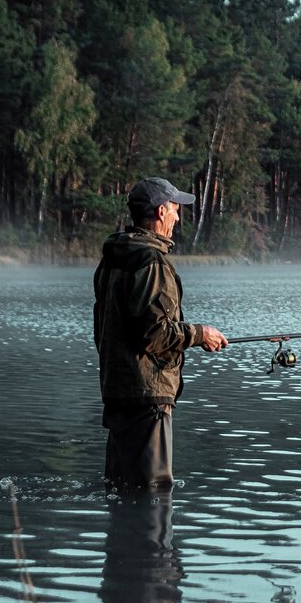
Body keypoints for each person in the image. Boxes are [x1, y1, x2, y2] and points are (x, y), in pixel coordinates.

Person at [93, 177, 228, 491]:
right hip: (147, 398)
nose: (178, 217)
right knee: (152, 495)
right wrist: (200, 333)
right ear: (160, 211)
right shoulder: (151, 263)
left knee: (121, 490)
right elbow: (156, 335)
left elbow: (103, 329)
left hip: (118, 392)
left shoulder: (113, 260)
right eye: (175, 210)